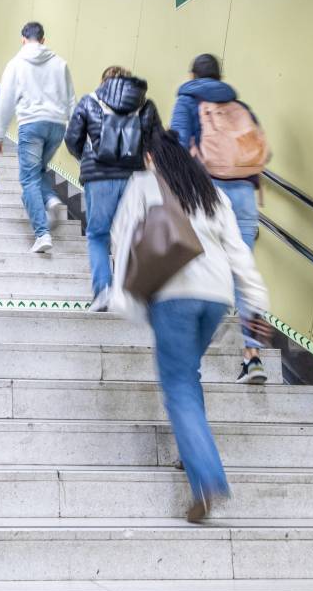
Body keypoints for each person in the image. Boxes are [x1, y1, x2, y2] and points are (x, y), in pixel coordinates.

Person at [110, 124, 271, 523]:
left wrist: (121, 295)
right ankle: (190, 453)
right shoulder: (210, 191)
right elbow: (239, 250)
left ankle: (206, 477)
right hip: (215, 297)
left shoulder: (143, 185)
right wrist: (256, 305)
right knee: (188, 374)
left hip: (174, 293)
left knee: (177, 384)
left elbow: (123, 235)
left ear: (150, 157)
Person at [170, 53, 270, 384]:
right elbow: (259, 148)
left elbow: (179, 147)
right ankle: (252, 355)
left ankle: (193, 344)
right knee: (244, 273)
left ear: (192, 74)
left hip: (209, 192)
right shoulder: (236, 104)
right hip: (243, 195)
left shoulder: (187, 100)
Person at [65, 66, 160, 312]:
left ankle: (103, 291)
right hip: (134, 179)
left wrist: (87, 158)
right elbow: (156, 143)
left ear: (104, 82)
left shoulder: (90, 101)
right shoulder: (146, 106)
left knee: (98, 235)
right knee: (132, 237)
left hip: (98, 178)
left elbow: (72, 139)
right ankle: (132, 292)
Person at [0, 21, 75, 254]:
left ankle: (42, 234)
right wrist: (74, 130)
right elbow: (71, 99)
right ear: (44, 40)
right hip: (57, 126)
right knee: (39, 171)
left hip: (32, 125)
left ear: (23, 39)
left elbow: (5, 100)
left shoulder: (16, 64)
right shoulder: (60, 63)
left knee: (28, 179)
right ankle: (51, 200)